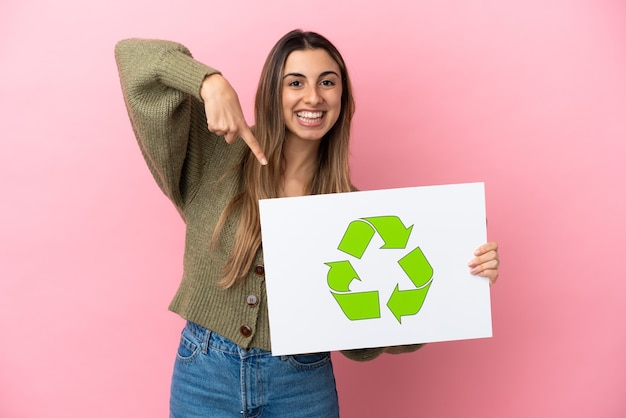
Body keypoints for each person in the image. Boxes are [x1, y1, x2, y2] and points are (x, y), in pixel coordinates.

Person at [115, 29, 500, 418]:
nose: (313, 96)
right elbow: (133, 59)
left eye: (327, 82)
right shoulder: (216, 156)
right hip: (204, 374)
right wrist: (208, 82)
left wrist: (460, 278)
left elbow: (367, 336)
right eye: (295, 82)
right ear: (271, 92)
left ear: (342, 98)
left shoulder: (353, 213)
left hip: (301, 385)